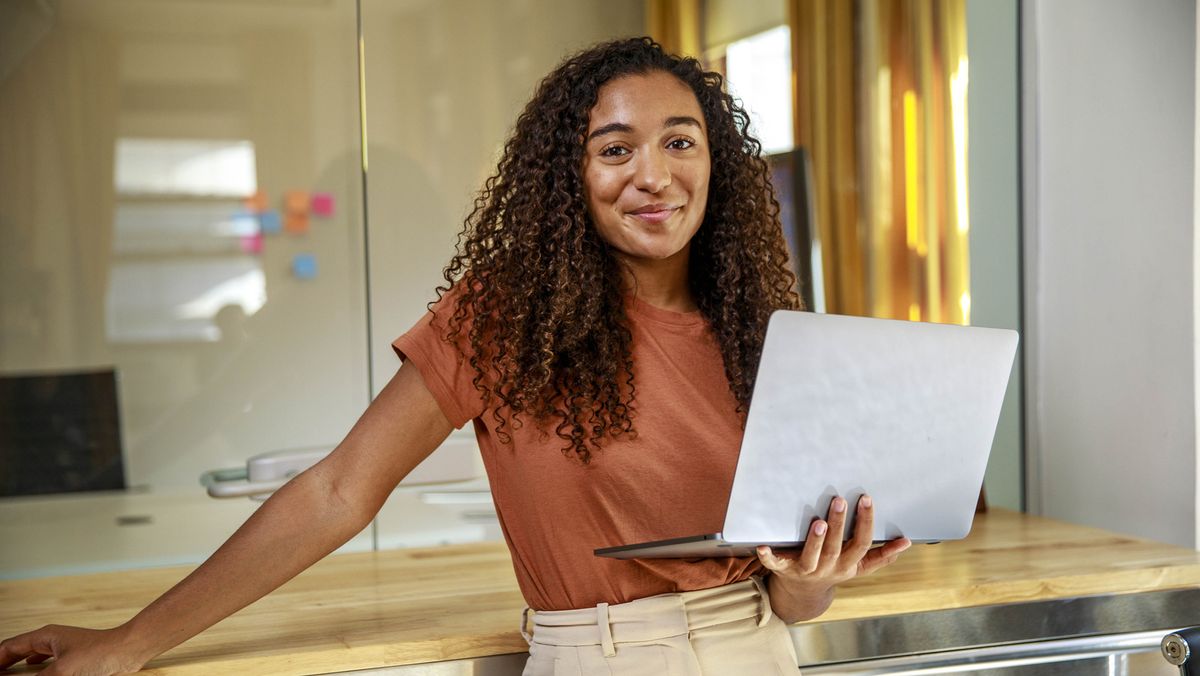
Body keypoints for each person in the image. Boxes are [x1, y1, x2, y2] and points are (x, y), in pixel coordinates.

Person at [0, 37, 910, 675]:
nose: (654, 174)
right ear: (570, 176)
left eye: (681, 141)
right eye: (614, 148)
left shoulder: (763, 333)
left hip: (761, 655)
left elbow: (786, 598)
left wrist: (811, 586)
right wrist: (131, 640)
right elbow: (337, 491)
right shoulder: (508, 315)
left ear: (716, 161)